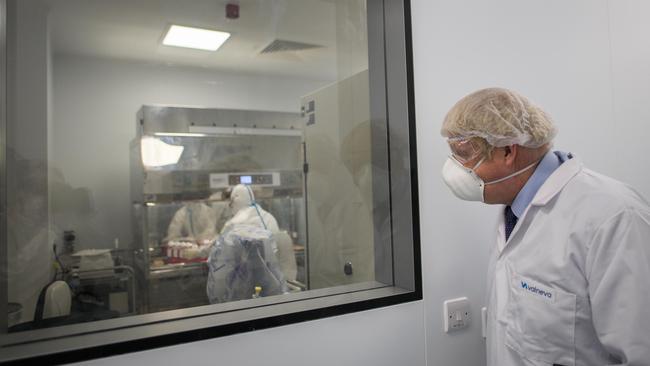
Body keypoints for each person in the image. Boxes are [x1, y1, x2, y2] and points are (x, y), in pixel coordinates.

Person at [440, 88, 650, 366]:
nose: (455, 169)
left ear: (507, 151)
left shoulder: (614, 217)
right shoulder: (512, 211)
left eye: (464, 154)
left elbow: (640, 351)